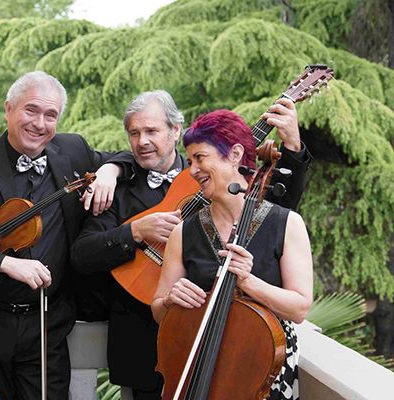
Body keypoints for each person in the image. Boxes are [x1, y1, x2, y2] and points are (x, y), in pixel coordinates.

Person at [70, 90, 311, 399]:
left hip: (245, 354)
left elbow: (278, 211)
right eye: (134, 133)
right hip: (147, 351)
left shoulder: (210, 180)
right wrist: (134, 231)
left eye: (152, 131)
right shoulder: (117, 186)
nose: (142, 140)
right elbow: (81, 255)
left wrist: (292, 147)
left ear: (175, 130)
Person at [0, 71, 130, 400]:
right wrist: (2, 262)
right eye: (31, 110)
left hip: (48, 322)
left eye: (51, 115)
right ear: (8, 109)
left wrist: (109, 171)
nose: (40, 123)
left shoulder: (73, 150)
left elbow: (129, 156)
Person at [150, 109, 313, 399]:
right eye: (190, 161)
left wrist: (249, 282)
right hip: (197, 371)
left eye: (200, 158)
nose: (193, 170)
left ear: (235, 154)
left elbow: (299, 308)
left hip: (263, 376)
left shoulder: (287, 224)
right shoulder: (183, 232)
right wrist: (170, 301)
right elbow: (159, 312)